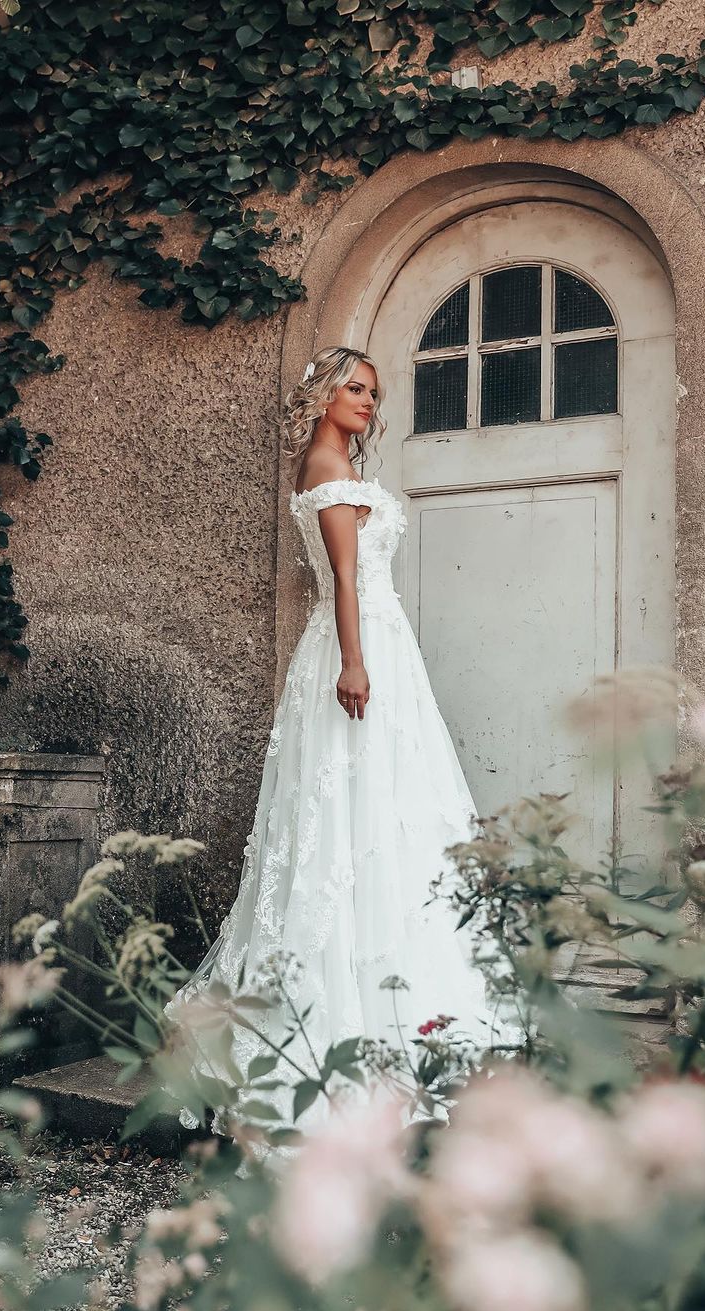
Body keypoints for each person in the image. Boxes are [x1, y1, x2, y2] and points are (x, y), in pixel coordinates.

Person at [162, 345, 509, 1142]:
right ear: (322, 395)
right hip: (358, 646)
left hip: (378, 642)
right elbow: (346, 580)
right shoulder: (327, 466)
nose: (366, 402)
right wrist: (354, 661)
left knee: (383, 808)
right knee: (356, 808)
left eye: (372, 393)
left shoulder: (334, 463)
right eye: (354, 388)